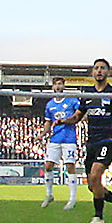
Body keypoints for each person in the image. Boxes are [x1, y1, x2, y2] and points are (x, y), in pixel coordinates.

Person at [81, 58, 112, 223]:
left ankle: (98, 217)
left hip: (108, 140)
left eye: (102, 68)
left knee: (95, 174)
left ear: (108, 72)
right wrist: (65, 121)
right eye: (96, 68)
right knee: (92, 186)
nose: (99, 71)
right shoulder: (87, 94)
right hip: (91, 142)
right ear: (92, 72)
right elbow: (79, 115)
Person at [41, 78, 81, 209]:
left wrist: (65, 121)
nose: (58, 86)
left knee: (70, 166)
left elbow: (79, 116)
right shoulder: (49, 105)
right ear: (52, 87)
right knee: (48, 166)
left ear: (64, 86)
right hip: (55, 139)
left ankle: (72, 198)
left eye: (60, 84)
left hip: (69, 139)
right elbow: (48, 122)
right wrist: (42, 133)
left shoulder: (72, 101)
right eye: (56, 84)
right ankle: (49, 194)